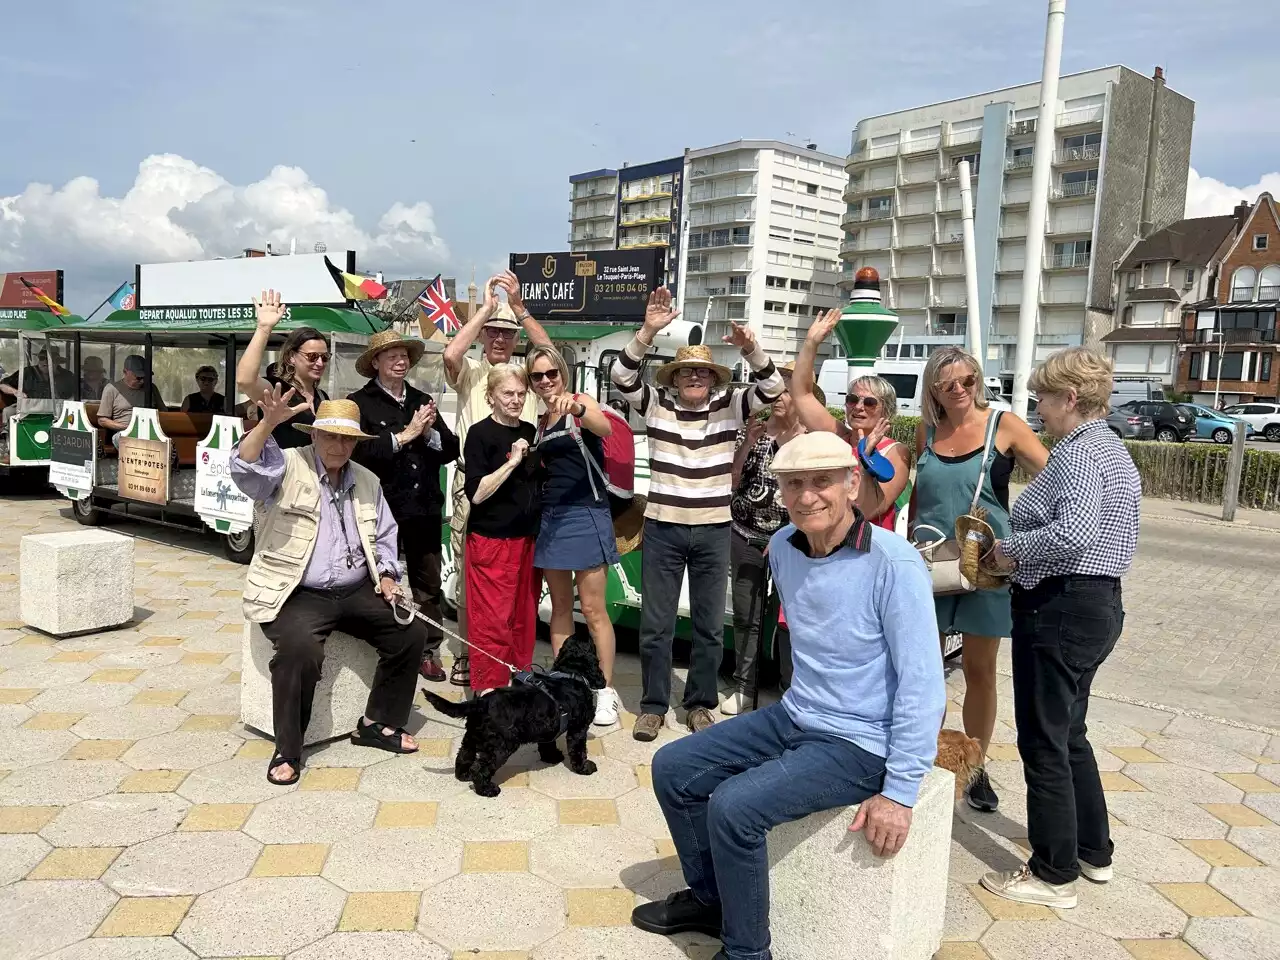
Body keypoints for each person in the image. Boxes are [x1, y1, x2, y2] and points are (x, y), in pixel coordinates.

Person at [632, 431, 946, 960]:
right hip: (797, 716)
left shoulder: (893, 563)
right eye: (794, 483)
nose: (807, 496)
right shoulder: (782, 547)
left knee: (733, 808)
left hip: (862, 742)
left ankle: (747, 952)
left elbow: (922, 683)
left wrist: (900, 792)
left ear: (852, 483)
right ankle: (714, 900)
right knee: (672, 768)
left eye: (822, 481)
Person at [980, 348, 1141, 909]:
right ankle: (1093, 852)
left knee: (1044, 741)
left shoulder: (1076, 455)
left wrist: (1006, 553)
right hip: (1097, 603)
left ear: (1070, 398)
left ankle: (1054, 873)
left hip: (1060, 606)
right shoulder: (1114, 450)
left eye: (1043, 398)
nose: (1038, 409)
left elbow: (1072, 533)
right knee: (1070, 733)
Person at [611, 287, 784, 740]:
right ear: (674, 377)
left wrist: (751, 347)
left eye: (702, 372)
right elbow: (621, 374)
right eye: (687, 371)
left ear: (713, 378)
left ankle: (700, 704)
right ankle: (652, 705)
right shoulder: (656, 404)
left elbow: (773, 387)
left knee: (708, 626)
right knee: (655, 625)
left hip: (712, 530)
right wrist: (648, 329)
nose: (694, 378)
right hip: (664, 528)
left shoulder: (731, 406)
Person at [230, 389, 427, 785]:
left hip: (356, 589)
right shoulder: (285, 465)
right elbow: (243, 468)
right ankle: (288, 748)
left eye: (347, 438)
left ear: (356, 442)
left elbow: (387, 535)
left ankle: (377, 723)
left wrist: (387, 575)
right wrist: (267, 423)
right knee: (299, 650)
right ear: (314, 436)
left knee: (412, 631)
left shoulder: (368, 480)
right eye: (331, 436)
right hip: (296, 590)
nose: (339, 445)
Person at [910, 345, 1047, 814]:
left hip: (985, 567)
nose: (961, 390)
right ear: (935, 390)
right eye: (950, 384)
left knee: (979, 669)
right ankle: (924, 755)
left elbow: (1054, 478)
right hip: (930, 563)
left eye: (968, 380)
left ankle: (975, 766)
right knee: (923, 671)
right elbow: (915, 494)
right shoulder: (927, 429)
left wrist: (1022, 533)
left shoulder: (1002, 424)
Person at [443, 271, 550, 686]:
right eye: (493, 331)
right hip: (477, 479)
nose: (500, 338)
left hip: (522, 489)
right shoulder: (472, 371)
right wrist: (486, 308)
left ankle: (510, 663)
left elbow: (550, 355)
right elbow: (451, 354)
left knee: (519, 590)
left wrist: (519, 309)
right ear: (484, 334)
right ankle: (476, 656)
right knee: (472, 576)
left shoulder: (525, 375)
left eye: (507, 333)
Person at [349, 329, 461, 682]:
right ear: (376, 363)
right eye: (392, 356)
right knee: (376, 578)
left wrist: (428, 433)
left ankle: (429, 649)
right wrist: (404, 436)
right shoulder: (360, 403)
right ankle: (381, 645)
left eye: (404, 357)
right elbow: (357, 453)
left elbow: (451, 450)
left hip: (423, 509)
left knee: (427, 585)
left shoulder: (422, 399)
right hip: (380, 508)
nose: (400, 362)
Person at [525, 344, 620, 725]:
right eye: (538, 376)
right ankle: (566, 684)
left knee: (594, 610)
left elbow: (604, 426)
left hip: (586, 515)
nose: (546, 380)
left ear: (564, 374)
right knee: (560, 608)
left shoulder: (580, 402)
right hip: (552, 518)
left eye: (552, 373)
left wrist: (578, 409)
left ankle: (603, 690)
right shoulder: (541, 420)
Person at [722, 362, 814, 716]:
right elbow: (733, 481)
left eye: (785, 391)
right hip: (745, 533)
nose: (777, 398)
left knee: (792, 615)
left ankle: (791, 685)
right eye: (774, 391)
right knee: (747, 613)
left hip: (792, 540)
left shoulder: (807, 438)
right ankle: (745, 686)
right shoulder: (755, 432)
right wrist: (747, 442)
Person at [791, 308, 911, 529]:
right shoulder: (840, 436)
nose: (858, 407)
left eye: (869, 402)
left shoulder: (895, 451)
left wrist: (866, 458)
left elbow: (871, 509)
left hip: (867, 545)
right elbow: (801, 394)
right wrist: (811, 343)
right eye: (852, 399)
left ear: (886, 411)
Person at [463, 363, 541, 696]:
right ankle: (490, 691)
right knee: (491, 620)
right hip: (491, 539)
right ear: (491, 395)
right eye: (507, 393)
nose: (515, 400)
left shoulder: (530, 430)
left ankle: (519, 681)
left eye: (521, 394)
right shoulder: (479, 433)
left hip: (527, 538)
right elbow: (477, 493)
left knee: (523, 617)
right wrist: (511, 462)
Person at [236, 289, 329, 449]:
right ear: (291, 357)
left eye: (325, 357)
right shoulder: (278, 391)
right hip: (281, 472)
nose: (320, 363)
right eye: (312, 356)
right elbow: (245, 381)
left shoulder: (322, 396)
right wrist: (264, 328)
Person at [96, 354, 168, 448]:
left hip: (150, 432)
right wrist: (128, 427)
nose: (142, 381)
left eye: (145, 377)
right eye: (138, 377)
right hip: (123, 433)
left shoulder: (151, 388)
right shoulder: (112, 389)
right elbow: (102, 420)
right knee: (129, 440)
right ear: (125, 372)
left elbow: (164, 411)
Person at [0, 345, 78, 401]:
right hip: (28, 410)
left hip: (60, 411)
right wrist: (16, 392)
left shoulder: (67, 375)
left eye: (50, 359)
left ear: (57, 361)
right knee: (8, 412)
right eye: (42, 358)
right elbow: (3, 385)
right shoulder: (28, 372)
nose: (45, 361)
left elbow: (77, 392)